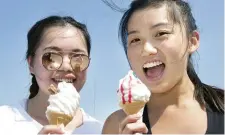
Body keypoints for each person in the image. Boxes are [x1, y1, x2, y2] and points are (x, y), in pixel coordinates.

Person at [102, 0, 224, 134]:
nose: (146, 49)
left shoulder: (221, 107)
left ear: (192, 42)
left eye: (161, 34)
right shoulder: (117, 125)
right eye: (135, 40)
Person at [0, 15, 102, 134]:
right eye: (50, 57)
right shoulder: (4, 121)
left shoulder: (101, 130)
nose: (66, 66)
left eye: (78, 58)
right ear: (31, 64)